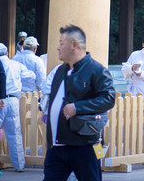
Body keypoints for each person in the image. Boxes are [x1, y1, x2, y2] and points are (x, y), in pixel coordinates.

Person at [42, 24, 116, 181]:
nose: (58, 48)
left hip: (84, 145)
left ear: (74, 45)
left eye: (61, 43)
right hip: (57, 147)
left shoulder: (96, 70)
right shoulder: (59, 71)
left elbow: (108, 98)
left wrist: (78, 107)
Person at [0, 43, 25, 171]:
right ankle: (19, 165)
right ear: (7, 52)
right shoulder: (16, 64)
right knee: (15, 133)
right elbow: (31, 76)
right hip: (13, 100)